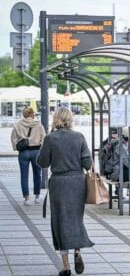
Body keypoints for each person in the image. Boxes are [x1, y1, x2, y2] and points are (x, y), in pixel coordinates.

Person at [37, 107, 93, 276]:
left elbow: (43, 162)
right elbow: (88, 164)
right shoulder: (79, 137)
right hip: (77, 183)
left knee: (60, 222)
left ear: (56, 119)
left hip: (59, 184)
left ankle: (66, 267)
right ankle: (77, 251)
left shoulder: (50, 139)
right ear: (70, 119)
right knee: (75, 219)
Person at [11, 107, 47, 206]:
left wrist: (17, 147)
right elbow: (44, 138)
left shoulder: (17, 124)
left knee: (24, 175)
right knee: (37, 174)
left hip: (23, 152)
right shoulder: (38, 124)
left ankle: (26, 198)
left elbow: (13, 139)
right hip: (36, 151)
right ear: (31, 114)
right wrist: (41, 147)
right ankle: (37, 196)